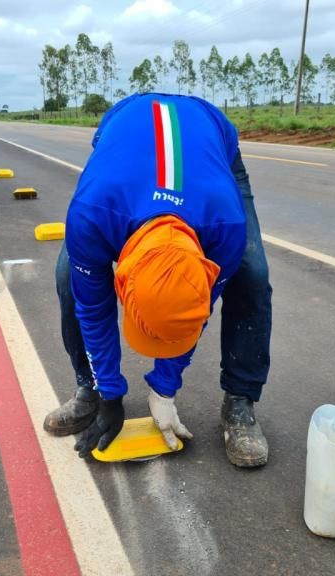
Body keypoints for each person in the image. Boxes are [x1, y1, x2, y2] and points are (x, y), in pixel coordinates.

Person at [43, 93, 273, 467]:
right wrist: (110, 391)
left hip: (211, 143)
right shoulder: (93, 214)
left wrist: (165, 389)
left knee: (252, 275)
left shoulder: (225, 227)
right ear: (121, 281)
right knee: (71, 275)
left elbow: (193, 308)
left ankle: (239, 401)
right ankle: (88, 388)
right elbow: (94, 307)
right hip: (123, 146)